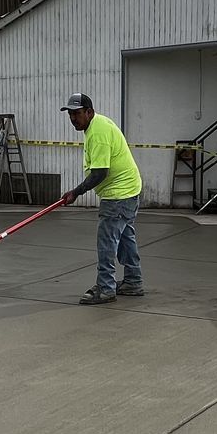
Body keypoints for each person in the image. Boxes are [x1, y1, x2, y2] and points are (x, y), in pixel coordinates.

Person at [58, 93, 144, 304]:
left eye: (77, 114)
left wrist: (74, 193)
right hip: (129, 190)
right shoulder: (97, 125)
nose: (73, 119)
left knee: (106, 242)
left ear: (89, 112)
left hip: (118, 194)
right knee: (125, 238)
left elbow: (99, 173)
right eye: (70, 114)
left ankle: (106, 288)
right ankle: (133, 282)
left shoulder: (98, 132)